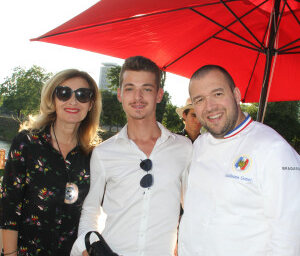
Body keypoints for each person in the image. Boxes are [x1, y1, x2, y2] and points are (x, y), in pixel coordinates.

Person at [71, 56, 192, 256]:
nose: (137, 97)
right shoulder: (103, 153)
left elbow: (191, 208)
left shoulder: (184, 148)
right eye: (129, 88)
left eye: (146, 88)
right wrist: (87, 248)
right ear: (120, 94)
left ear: (159, 94)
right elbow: (90, 211)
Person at [178, 65, 300, 256]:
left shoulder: (274, 150)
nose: (210, 106)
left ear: (236, 95)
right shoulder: (199, 145)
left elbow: (290, 237)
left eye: (217, 94)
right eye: (199, 100)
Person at [0, 69, 101, 256]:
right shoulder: (26, 143)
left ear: (91, 104)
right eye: (64, 93)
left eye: (82, 95)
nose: (73, 101)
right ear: (52, 99)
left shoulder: (94, 155)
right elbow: (9, 208)